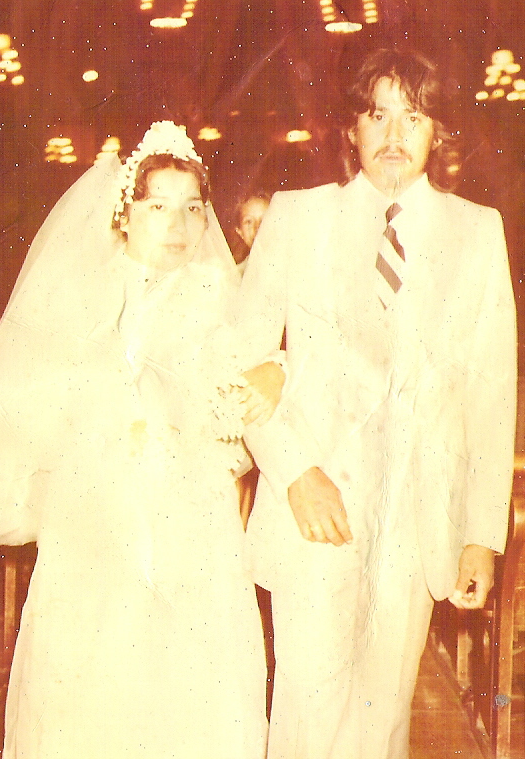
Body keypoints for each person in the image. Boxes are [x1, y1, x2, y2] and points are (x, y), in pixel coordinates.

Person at [0, 121, 280, 758]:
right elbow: (26, 411)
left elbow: (241, 427)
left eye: (192, 208)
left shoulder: (221, 298)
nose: (179, 225)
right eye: (158, 206)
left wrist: (256, 387)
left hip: (191, 523)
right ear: (125, 215)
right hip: (95, 521)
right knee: (91, 687)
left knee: (190, 690)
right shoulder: (75, 296)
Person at [234, 49, 517, 759]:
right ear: (351, 130)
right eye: (377, 114)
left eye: (414, 117)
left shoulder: (477, 233)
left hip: (415, 514)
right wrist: (296, 472)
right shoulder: (298, 219)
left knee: (384, 714)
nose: (395, 134)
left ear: (437, 131)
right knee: (306, 707)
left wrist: (481, 531)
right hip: (315, 512)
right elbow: (237, 364)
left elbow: (489, 390)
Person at [232, 191, 271, 275]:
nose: (257, 227)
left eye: (264, 219)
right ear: (240, 232)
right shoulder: (236, 276)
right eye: (249, 221)